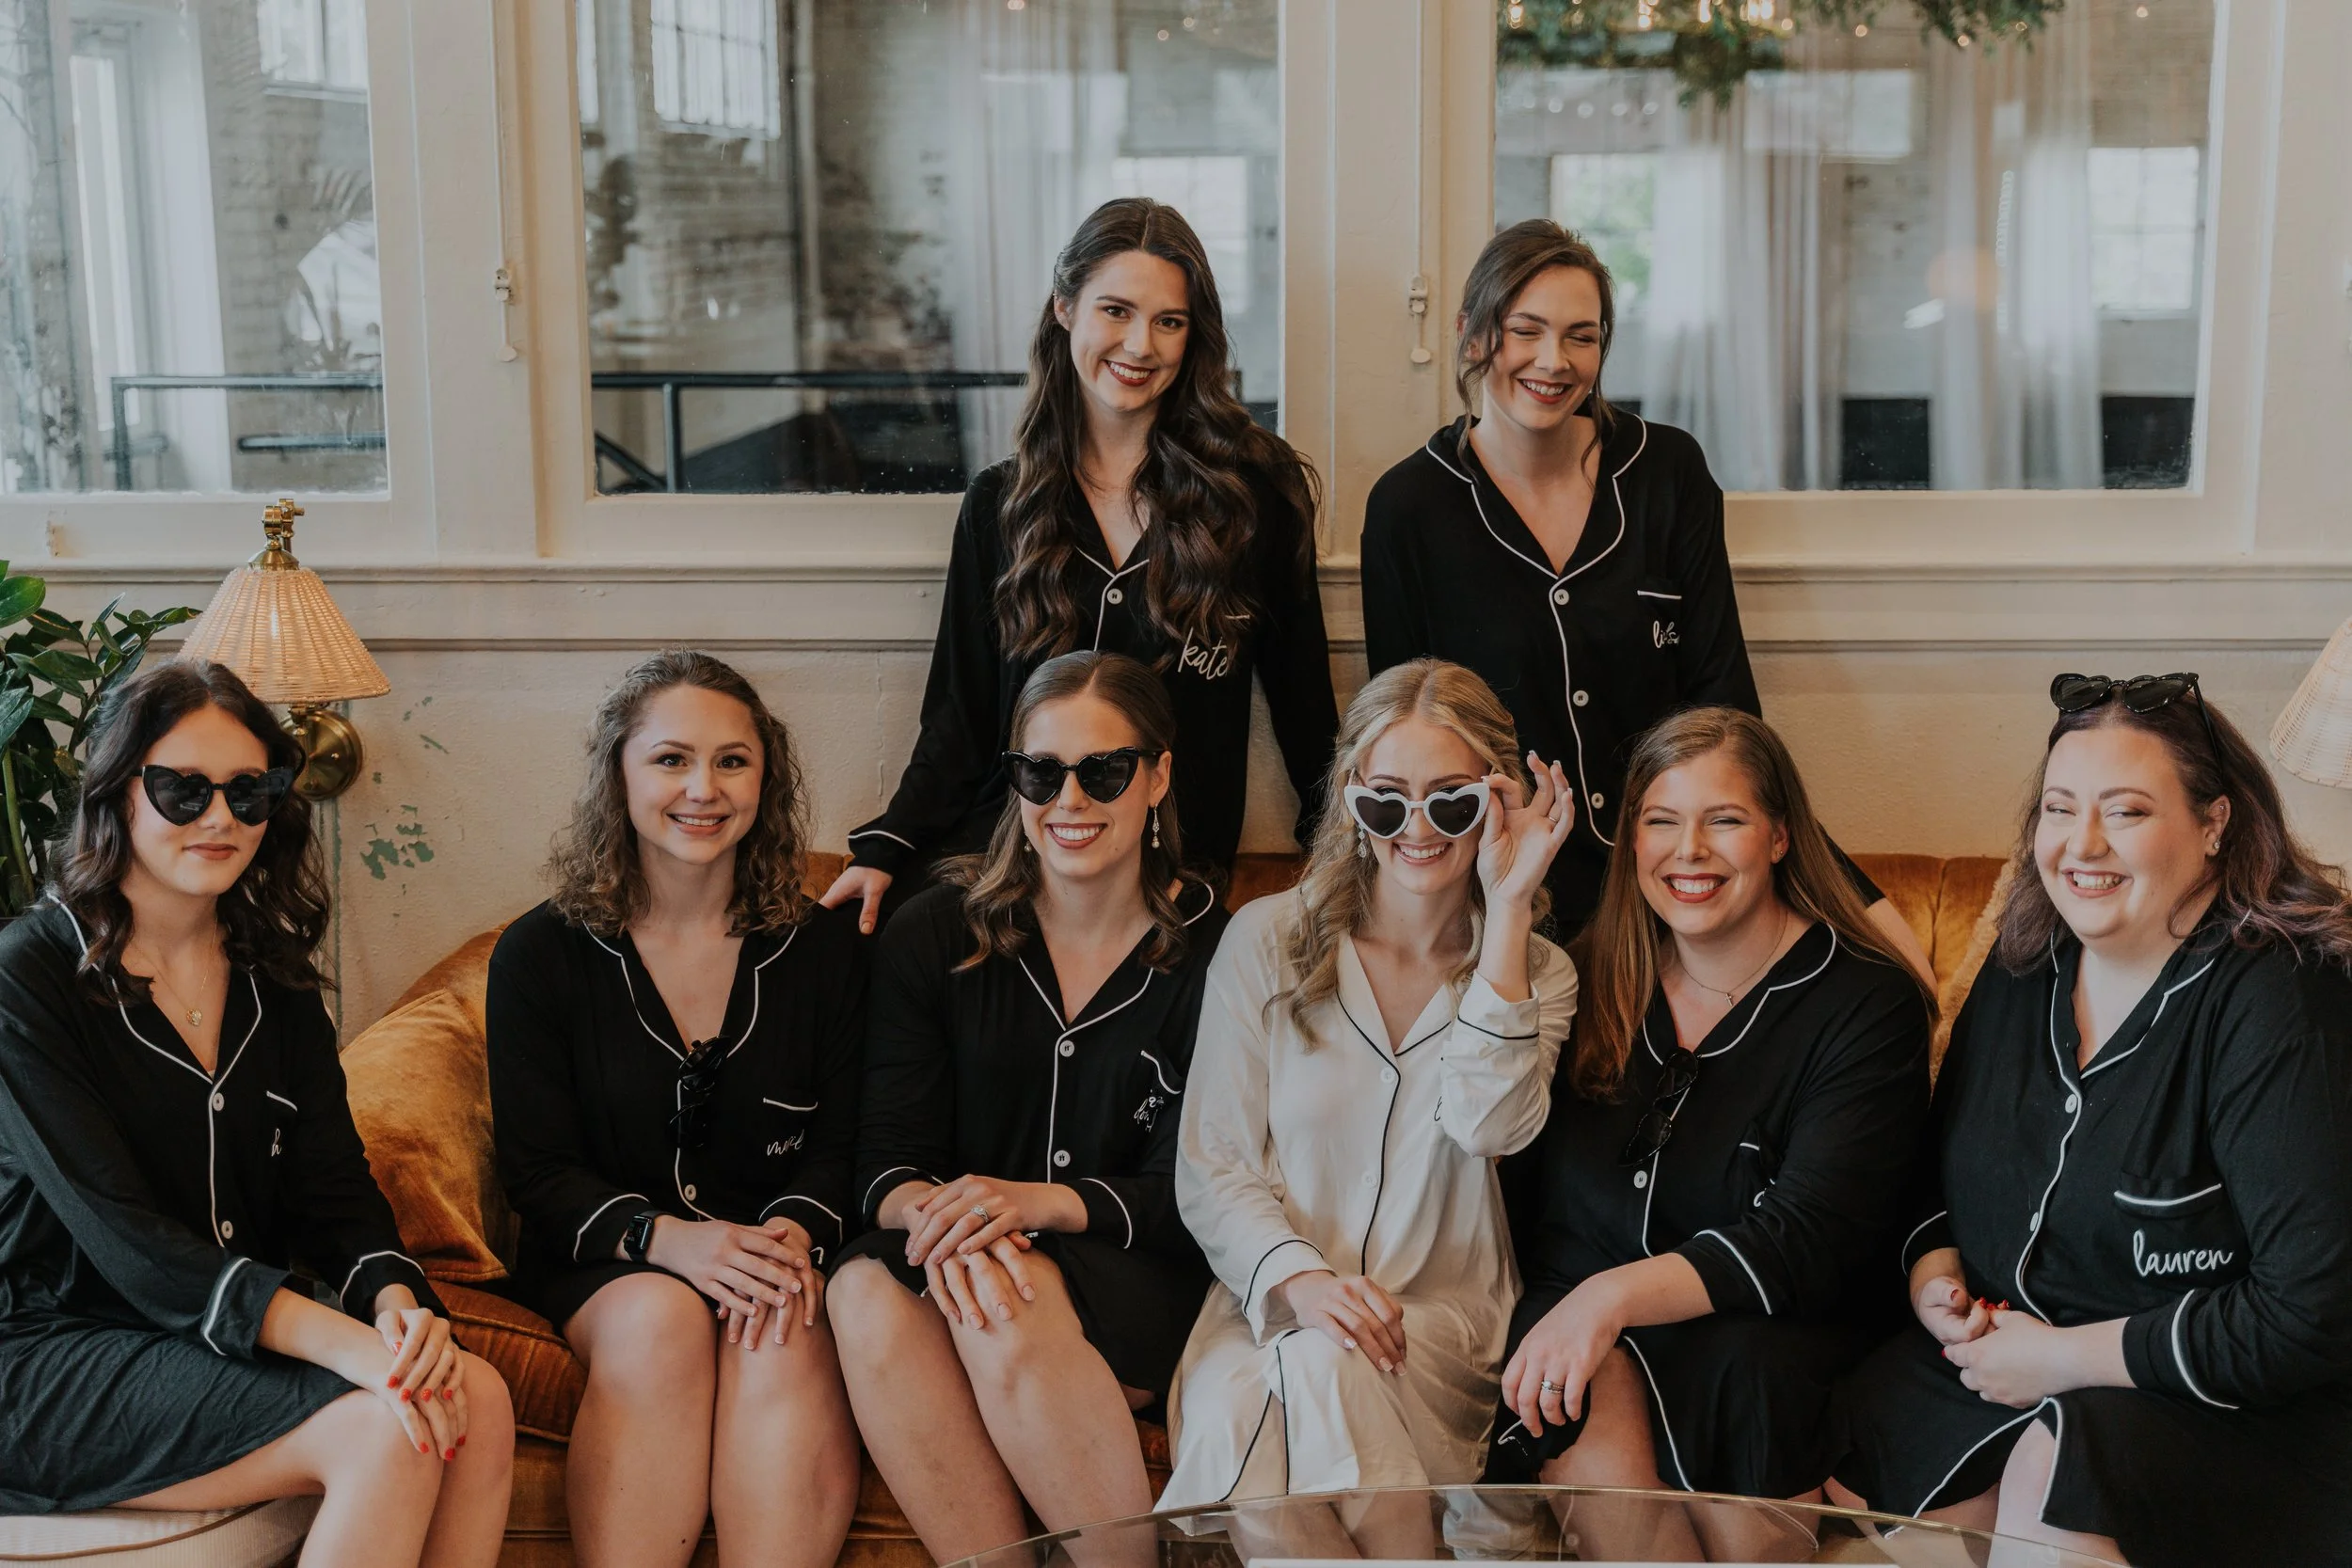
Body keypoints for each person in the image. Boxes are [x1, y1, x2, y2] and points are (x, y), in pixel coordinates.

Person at [0, 660, 513, 1566]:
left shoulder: (272, 983)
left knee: (475, 1398)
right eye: (182, 789)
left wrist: (395, 1305)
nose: (220, 817)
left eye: (250, 791)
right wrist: (355, 1354)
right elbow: (130, 1246)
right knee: (388, 1427)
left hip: (205, 1346)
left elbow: (336, 1195)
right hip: (49, 1351)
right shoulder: (28, 977)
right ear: (118, 793)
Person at [1834, 673, 2352, 1568]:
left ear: (2215, 823)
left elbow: (2306, 1316)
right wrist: (1935, 1274)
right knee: (1823, 1454)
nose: (2083, 844)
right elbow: (1926, 1178)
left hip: (2228, 1408)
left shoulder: (2280, 999)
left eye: (2127, 811)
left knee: (2062, 1461)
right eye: (2060, 808)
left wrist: (2068, 1359)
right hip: (2001, 1367)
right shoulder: (2023, 962)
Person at [1359, 218, 1928, 983]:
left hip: (1680, 860)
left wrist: (1814, 879)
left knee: (1906, 976)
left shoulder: (1668, 470)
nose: (1553, 361)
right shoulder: (1408, 506)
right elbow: (1402, 744)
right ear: (1471, 336)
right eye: (1524, 330)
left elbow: (1728, 711)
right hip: (1517, 887)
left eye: (1581, 336)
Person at [1484, 706, 1933, 1561]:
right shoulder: (1581, 975)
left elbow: (1809, 1236)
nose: (1688, 850)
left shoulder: (1867, 1003)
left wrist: (1610, 1298)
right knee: (1578, 1393)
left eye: (1723, 819)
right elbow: (1492, 1150)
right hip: (1576, 1323)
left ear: (1779, 836)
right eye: (1661, 820)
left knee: (1742, 1378)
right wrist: (1588, 1308)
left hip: (1768, 1335)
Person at [821, 197, 1336, 932]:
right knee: (885, 931)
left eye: (1170, 321)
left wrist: (1352, 851)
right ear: (1064, 308)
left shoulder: (1254, 495)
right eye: (1116, 311)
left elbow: (1305, 704)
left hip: (1168, 863)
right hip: (1016, 849)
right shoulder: (1000, 504)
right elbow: (960, 723)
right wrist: (885, 847)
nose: (1140, 345)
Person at [1161, 658, 1579, 1555]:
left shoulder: (1540, 972)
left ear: (1498, 802)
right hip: (1268, 1307)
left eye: (1452, 801)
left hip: (1438, 1329)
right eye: (1387, 800)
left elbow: (1490, 1125)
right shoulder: (1264, 938)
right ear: (1352, 800)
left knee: (1309, 1380)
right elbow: (1212, 1162)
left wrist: (1506, 911)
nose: (1417, 828)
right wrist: (1302, 1280)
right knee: (1271, 1384)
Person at [829, 651, 1225, 1568]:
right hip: (973, 1255)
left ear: (1158, 775)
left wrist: (1032, 1203)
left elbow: (1203, 1194)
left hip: (1143, 1274)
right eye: (1040, 772)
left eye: (1105, 770)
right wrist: (959, 1216)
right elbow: (883, 1163)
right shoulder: (937, 928)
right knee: (861, 1285)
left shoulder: (1223, 951)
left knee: (1005, 1293)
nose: (1069, 800)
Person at [485, 651, 864, 1568]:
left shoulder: (824, 950)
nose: (703, 787)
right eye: (670, 759)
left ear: (765, 779)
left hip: (778, 1248)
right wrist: (671, 1240)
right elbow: (537, 1171)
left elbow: (856, 1133)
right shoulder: (540, 954)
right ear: (618, 771)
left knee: (780, 1317)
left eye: (732, 760)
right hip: (608, 1263)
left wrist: (788, 1235)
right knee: (663, 1320)